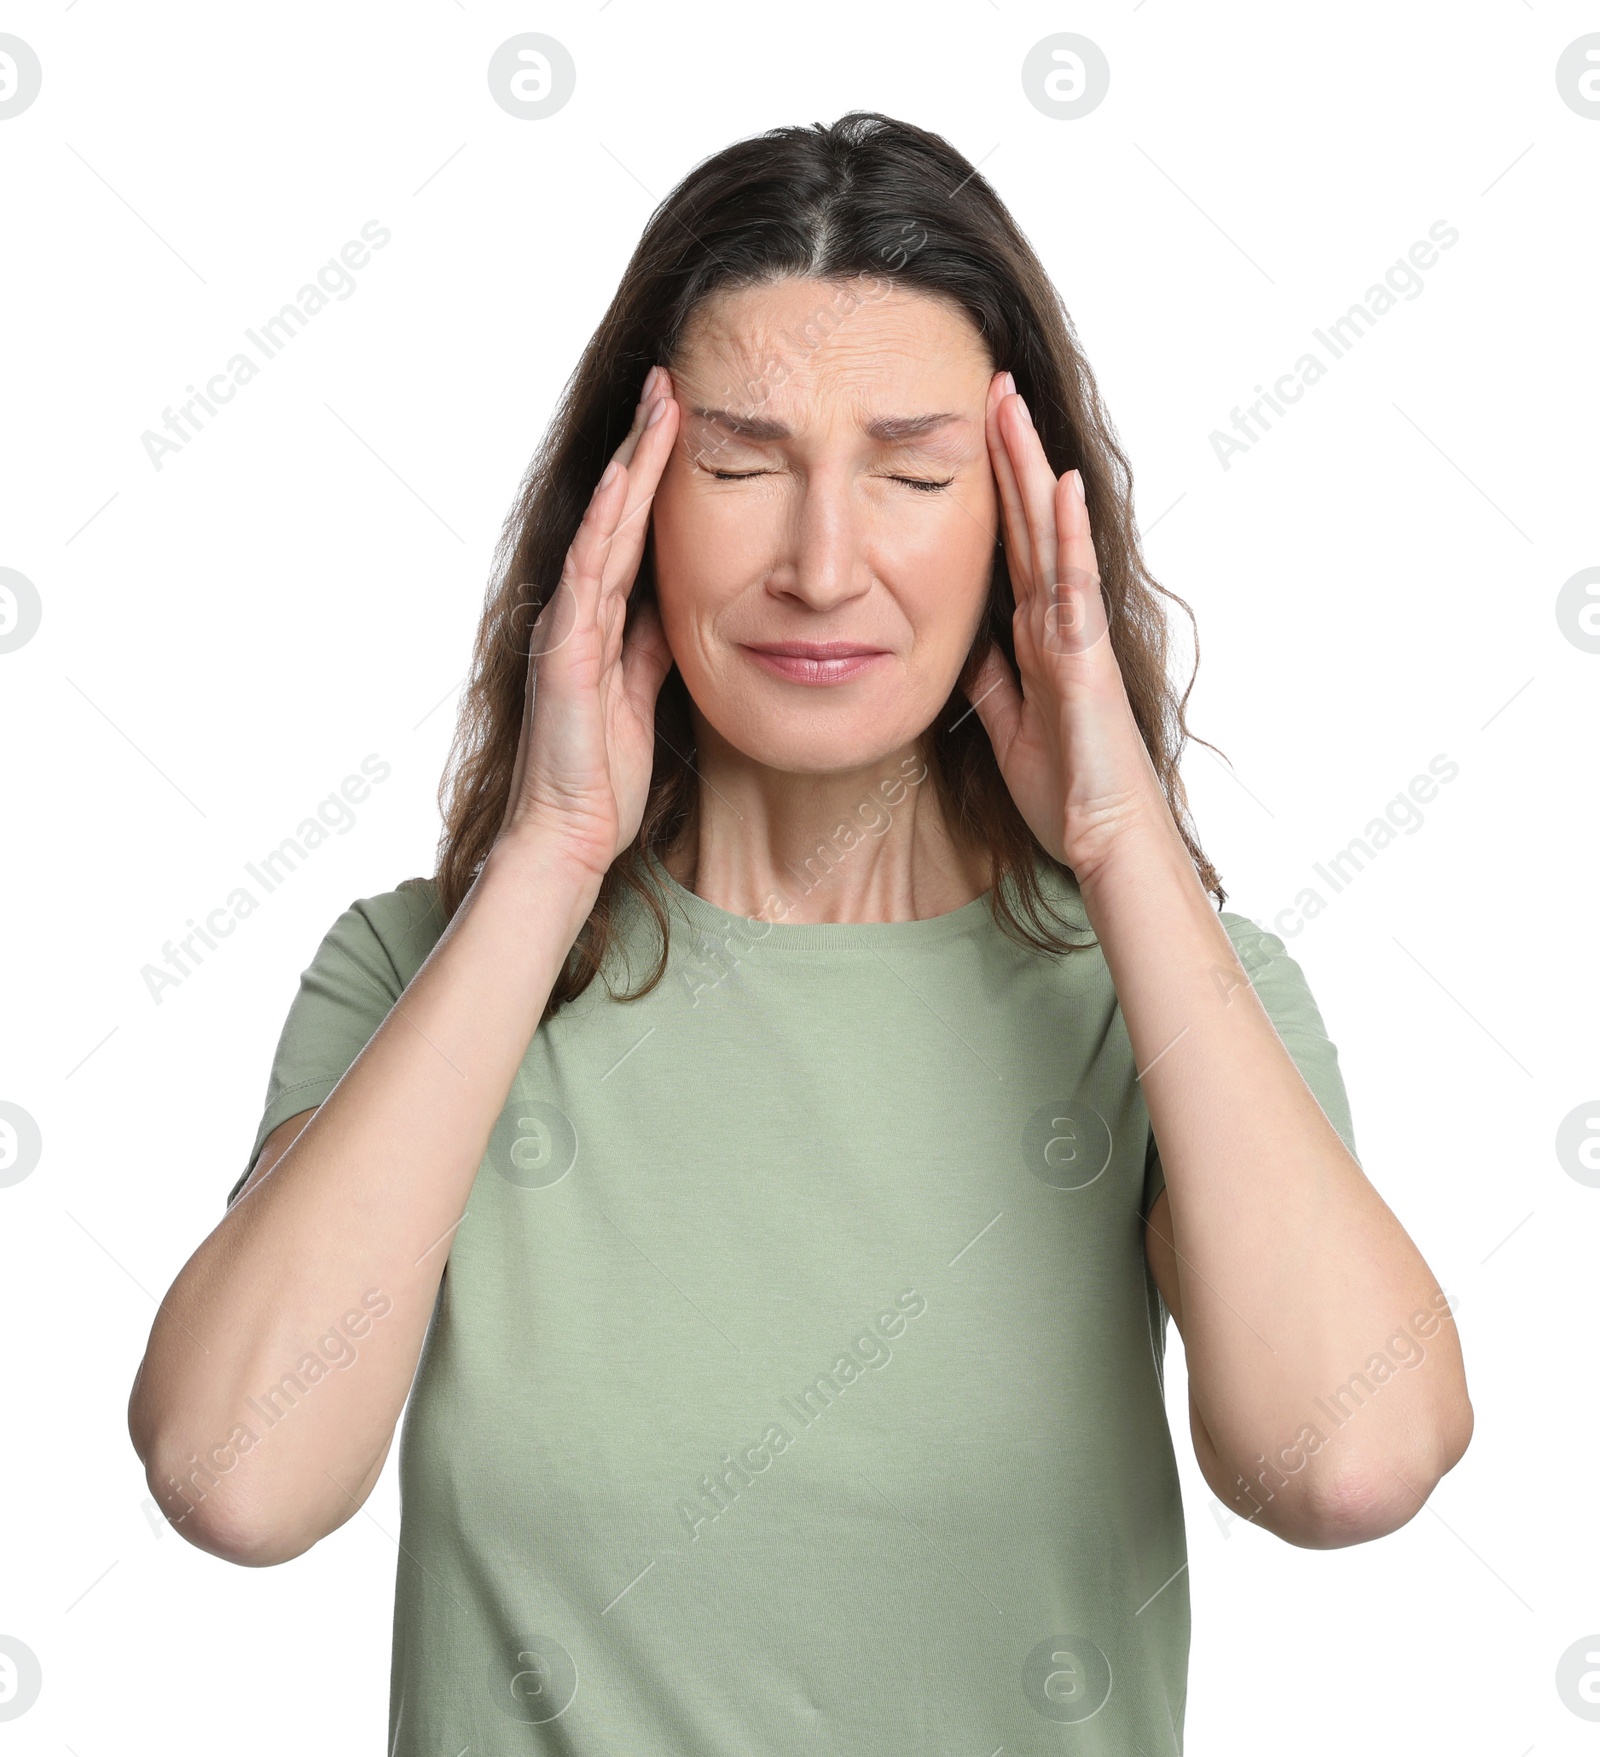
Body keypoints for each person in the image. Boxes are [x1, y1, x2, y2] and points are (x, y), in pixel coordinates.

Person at [127, 111, 1473, 1754]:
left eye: (912, 475)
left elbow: (1350, 1463)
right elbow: (235, 1477)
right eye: (742, 467)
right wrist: (548, 855)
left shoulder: (1169, 999)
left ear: (1013, 521)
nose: (823, 566)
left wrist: (1124, 852)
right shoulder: (420, 977)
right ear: (621, 510)